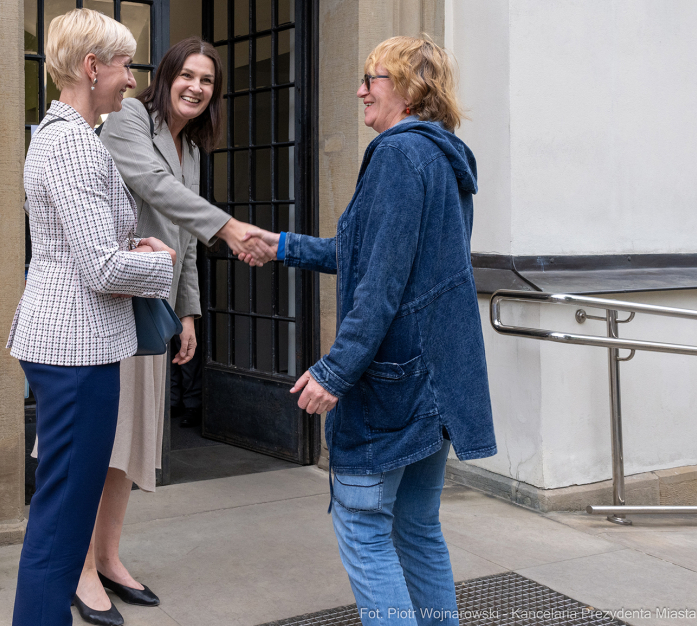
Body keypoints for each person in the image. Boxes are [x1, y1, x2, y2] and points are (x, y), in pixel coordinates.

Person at [243, 35, 497, 626]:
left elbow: (380, 285)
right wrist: (282, 246)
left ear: (409, 90)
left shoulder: (397, 156)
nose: (361, 89)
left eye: (373, 78)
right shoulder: (443, 156)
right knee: (418, 529)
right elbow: (374, 255)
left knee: (362, 527)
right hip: (436, 380)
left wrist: (334, 370)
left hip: (394, 384)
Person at [70, 37, 263, 625]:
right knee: (98, 442)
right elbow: (156, 190)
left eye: (208, 81)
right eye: (188, 75)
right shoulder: (129, 119)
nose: (197, 88)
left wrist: (188, 313)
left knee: (131, 447)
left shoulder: (192, 150)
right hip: (109, 305)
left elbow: (181, 238)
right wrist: (229, 228)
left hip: (153, 310)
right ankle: (76, 569)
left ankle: (108, 557)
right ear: (166, 76)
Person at [6, 7, 178, 626]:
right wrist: (164, 262)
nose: (131, 79)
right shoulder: (72, 145)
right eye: (125, 65)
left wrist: (132, 249)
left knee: (62, 513)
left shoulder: (66, 138)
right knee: (62, 519)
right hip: (75, 349)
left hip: (74, 344)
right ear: (91, 66)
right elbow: (101, 270)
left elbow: (86, 248)